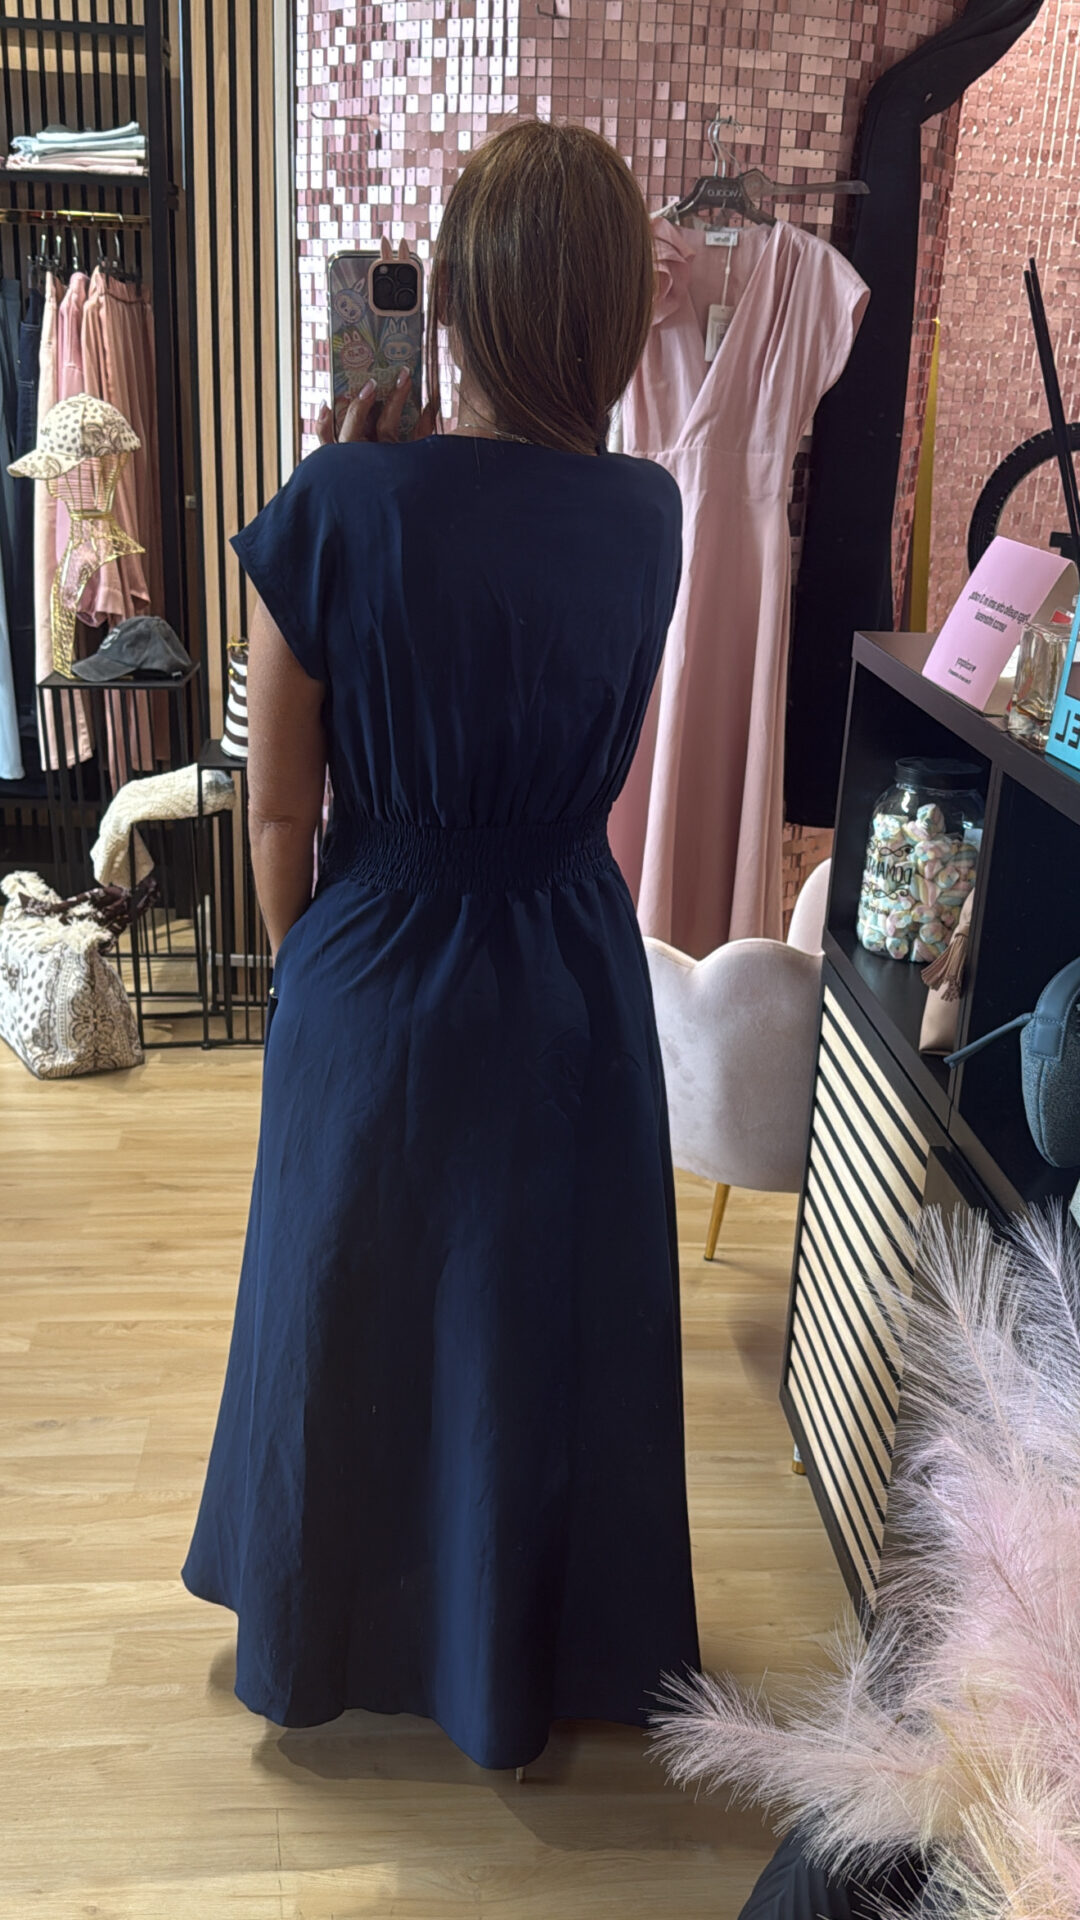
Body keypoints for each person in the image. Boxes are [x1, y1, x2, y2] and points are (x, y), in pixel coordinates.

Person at [182, 119, 699, 1773]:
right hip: (568, 968)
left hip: (374, 960)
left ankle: (329, 1623)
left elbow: (279, 811)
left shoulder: (334, 502)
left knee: (348, 1308)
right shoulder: (650, 515)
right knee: (532, 1329)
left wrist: (311, 980)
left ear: (451, 307)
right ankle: (521, 1653)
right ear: (612, 319)